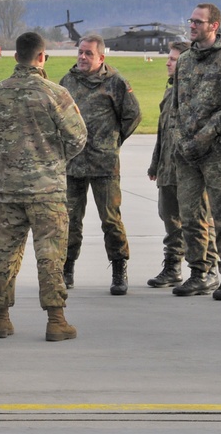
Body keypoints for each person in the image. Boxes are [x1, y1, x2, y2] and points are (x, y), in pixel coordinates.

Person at [0, 32, 87, 341]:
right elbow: (78, 139)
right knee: (50, 255)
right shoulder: (56, 94)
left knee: (5, 253)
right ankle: (56, 320)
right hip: (47, 190)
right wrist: (50, 156)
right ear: (41, 58)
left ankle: (0, 318)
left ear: (16, 57)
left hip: (10, 190)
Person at [171, 3, 221, 300]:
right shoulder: (186, 60)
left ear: (214, 25)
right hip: (187, 153)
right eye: (191, 20)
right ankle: (199, 272)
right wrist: (179, 139)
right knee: (190, 214)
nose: (192, 25)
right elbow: (176, 105)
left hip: (215, 152)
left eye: (198, 21)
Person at [60, 34, 141, 295]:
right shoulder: (68, 81)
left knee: (110, 219)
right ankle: (67, 269)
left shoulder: (115, 82)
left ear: (101, 58)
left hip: (104, 164)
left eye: (88, 54)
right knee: (70, 219)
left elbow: (132, 115)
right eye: (80, 52)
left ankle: (119, 269)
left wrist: (113, 140)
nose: (82, 57)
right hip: (73, 164)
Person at [147, 41, 217, 287]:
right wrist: (155, 164)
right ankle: (173, 266)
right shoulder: (170, 92)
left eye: (173, 59)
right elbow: (162, 132)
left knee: (198, 220)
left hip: (190, 169)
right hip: (167, 168)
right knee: (170, 219)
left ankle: (209, 268)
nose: (167, 62)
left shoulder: (198, 94)